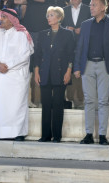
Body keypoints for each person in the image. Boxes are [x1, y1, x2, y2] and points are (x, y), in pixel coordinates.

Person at [74, 0, 109, 145]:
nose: (91, 7)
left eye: (94, 5)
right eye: (90, 5)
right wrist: (77, 67)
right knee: (89, 101)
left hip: (105, 65)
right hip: (87, 65)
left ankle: (102, 135)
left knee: (103, 101)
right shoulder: (86, 24)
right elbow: (80, 47)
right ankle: (89, 134)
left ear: (103, 7)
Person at [0, 8, 33, 141]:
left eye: (4, 17)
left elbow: (25, 55)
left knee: (15, 106)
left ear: (12, 20)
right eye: (1, 16)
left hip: (16, 76)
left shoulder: (22, 34)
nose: (1, 19)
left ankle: (17, 133)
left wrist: (8, 65)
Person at [34, 7, 75, 143]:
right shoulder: (42, 34)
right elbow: (38, 55)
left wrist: (68, 71)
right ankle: (45, 135)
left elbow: (71, 55)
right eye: (47, 15)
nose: (48, 18)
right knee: (46, 105)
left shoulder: (67, 34)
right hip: (45, 72)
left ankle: (57, 136)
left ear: (59, 17)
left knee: (58, 104)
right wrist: (36, 72)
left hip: (60, 73)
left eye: (51, 15)